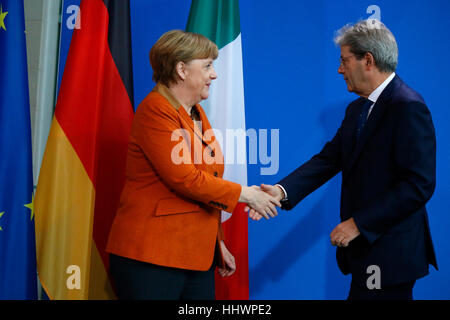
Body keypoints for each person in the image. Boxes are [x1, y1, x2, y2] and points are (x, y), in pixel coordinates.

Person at [250, 20, 438, 300]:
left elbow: (418, 185)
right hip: (365, 252)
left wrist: (358, 223)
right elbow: (329, 159)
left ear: (368, 60)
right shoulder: (357, 109)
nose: (340, 69)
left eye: (344, 61)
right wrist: (281, 191)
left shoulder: (407, 106)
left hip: (390, 253)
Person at [106, 30, 280, 300]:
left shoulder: (196, 113)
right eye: (208, 65)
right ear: (181, 69)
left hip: (194, 255)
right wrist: (247, 194)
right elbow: (184, 178)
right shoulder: (155, 109)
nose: (214, 74)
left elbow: (207, 178)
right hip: (152, 255)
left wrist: (216, 243)